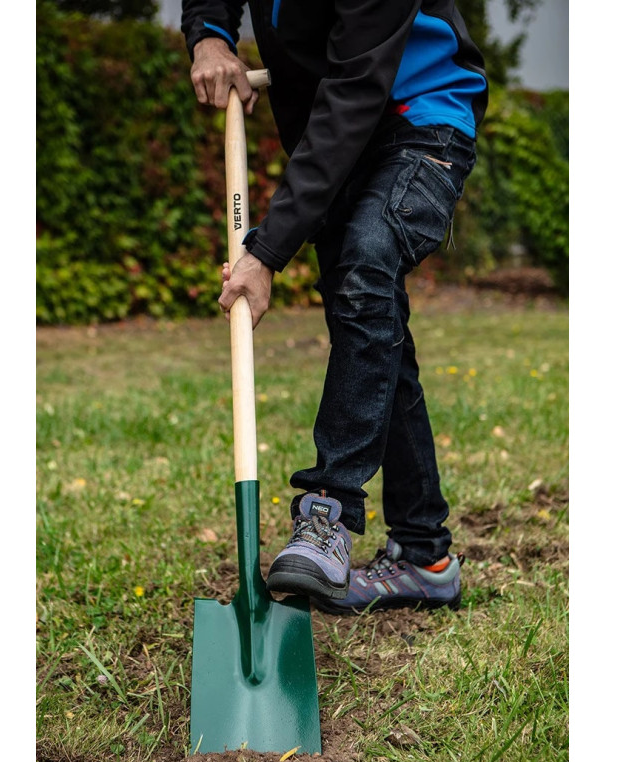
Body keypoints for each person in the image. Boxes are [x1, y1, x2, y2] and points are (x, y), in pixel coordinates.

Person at [181, 0, 487, 614]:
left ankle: (328, 512)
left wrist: (266, 252)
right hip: (330, 135)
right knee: (368, 324)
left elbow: (356, 88)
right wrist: (209, 35)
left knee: (367, 266)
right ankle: (424, 557)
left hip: (418, 116)